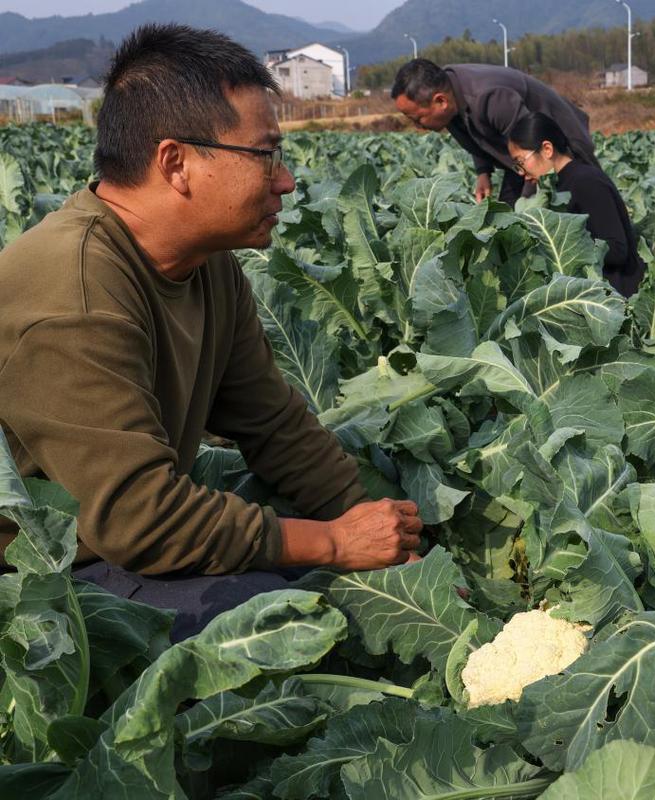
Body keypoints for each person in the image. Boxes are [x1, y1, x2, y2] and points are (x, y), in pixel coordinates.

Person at [0, 24, 423, 641]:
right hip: (36, 578)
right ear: (177, 163)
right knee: (280, 620)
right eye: (266, 155)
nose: (286, 180)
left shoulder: (207, 266)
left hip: (114, 539)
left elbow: (274, 426)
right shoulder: (75, 290)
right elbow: (138, 518)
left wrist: (390, 542)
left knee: (317, 589)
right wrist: (334, 541)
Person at [391, 59, 598, 206]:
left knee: (591, 207)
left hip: (562, 145)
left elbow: (535, 152)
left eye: (418, 118)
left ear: (440, 101)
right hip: (521, 161)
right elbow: (474, 132)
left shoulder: (489, 97)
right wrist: (483, 172)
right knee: (507, 219)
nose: (418, 126)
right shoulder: (449, 95)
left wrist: (528, 206)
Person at [507, 113, 646, 298]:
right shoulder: (557, 186)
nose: (520, 172)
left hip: (615, 297)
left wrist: (562, 247)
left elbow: (618, 249)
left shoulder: (587, 182)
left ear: (547, 149)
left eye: (520, 162)